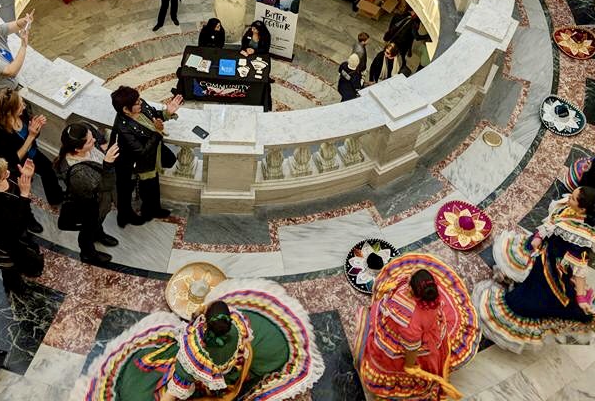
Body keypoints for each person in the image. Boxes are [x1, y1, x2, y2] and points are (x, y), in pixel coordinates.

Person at [92, 280, 322, 400]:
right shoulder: (237, 324)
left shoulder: (192, 356)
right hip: (234, 364)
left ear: (206, 321)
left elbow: (173, 392)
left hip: (210, 373)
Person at [474, 187, 595, 352]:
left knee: (527, 300)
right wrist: (539, 237)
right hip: (542, 251)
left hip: (551, 267)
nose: (569, 197)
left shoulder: (581, 237)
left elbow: (580, 269)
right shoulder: (569, 209)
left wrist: (581, 297)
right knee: (521, 265)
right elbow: (551, 223)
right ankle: (516, 280)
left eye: (573, 198)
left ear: (582, 209)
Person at [356, 253, 480, 398]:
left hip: (410, 338)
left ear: (412, 289)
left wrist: (409, 366)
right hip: (422, 325)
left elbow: (412, 347)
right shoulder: (433, 294)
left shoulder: (410, 322)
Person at [110, 85, 181, 227]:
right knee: (126, 191)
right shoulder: (123, 128)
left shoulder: (141, 105)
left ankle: (152, 210)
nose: (141, 102)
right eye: (137, 102)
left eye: (139, 99)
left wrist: (167, 112)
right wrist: (157, 132)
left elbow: (155, 115)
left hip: (151, 156)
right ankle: (125, 216)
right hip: (130, 162)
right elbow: (141, 151)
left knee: (151, 184)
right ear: (125, 109)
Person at [0, 155, 44, 292]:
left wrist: (26, 176)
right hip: (6, 238)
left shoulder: (7, 177)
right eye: (4, 172)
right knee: (10, 265)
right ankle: (13, 285)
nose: (8, 172)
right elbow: (13, 226)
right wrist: (24, 194)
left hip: (19, 230)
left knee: (23, 253)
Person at [0, 88, 64, 206]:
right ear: (9, 112)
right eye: (20, 105)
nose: (24, 106)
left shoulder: (23, 114)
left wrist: (35, 129)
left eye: (22, 102)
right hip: (17, 165)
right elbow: (13, 160)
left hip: (32, 153)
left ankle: (55, 198)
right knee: (20, 189)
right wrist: (31, 136)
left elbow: (33, 136)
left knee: (49, 170)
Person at [57, 122, 119, 265]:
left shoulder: (83, 135)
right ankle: (88, 253)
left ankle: (99, 234)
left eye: (92, 137)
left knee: (98, 221)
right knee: (88, 228)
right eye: (90, 141)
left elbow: (94, 135)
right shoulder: (78, 173)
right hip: (90, 205)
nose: (94, 141)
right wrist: (108, 164)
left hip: (100, 201)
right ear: (78, 149)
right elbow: (105, 185)